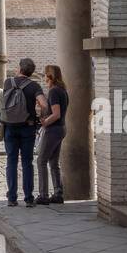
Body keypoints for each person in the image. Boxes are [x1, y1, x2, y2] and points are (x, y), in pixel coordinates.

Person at [1, 58, 44, 207]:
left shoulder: (8, 82)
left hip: (10, 126)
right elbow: (43, 104)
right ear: (32, 72)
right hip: (28, 126)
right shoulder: (34, 86)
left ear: (20, 68)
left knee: (11, 161)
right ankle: (28, 198)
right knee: (27, 162)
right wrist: (41, 114)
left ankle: (12, 198)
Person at [35, 65, 70, 206]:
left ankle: (43, 195)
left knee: (41, 161)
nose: (43, 77)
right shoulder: (63, 90)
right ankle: (58, 193)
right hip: (61, 128)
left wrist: (44, 122)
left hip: (53, 129)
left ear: (50, 76)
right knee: (53, 163)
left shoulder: (54, 91)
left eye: (45, 74)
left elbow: (56, 114)